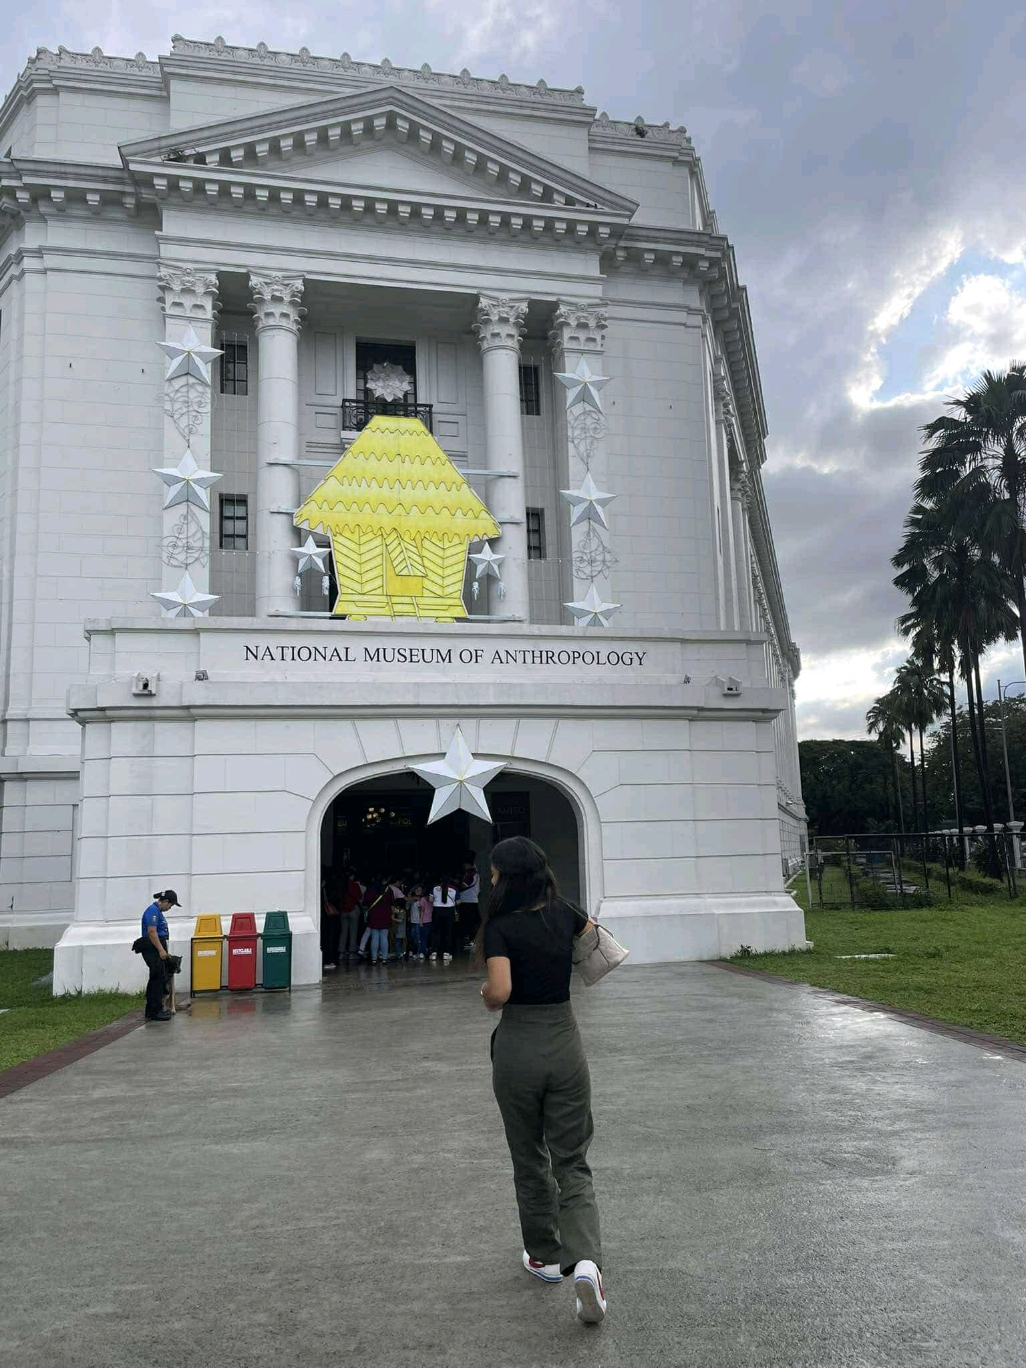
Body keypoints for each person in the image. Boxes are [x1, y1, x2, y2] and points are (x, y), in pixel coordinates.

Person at [477, 837, 606, 1325]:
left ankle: (545, 1256)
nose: (490, 880)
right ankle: (587, 1262)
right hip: (564, 1040)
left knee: (529, 1154)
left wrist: (485, 993)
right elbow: (594, 941)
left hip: (519, 1045)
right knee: (572, 1159)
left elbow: (501, 991)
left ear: (506, 877)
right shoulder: (565, 912)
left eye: (493, 873)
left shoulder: (500, 928)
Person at [140, 890, 180, 1023]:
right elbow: (152, 932)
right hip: (153, 948)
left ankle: (155, 1009)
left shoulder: (157, 912)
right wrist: (161, 950)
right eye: (171, 905)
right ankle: (154, 1011)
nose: (169, 908)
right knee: (157, 979)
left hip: (158, 946)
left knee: (159, 977)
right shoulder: (153, 911)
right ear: (166, 902)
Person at [364, 880, 393, 965]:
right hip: (385, 915)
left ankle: (374, 959)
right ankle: (384, 958)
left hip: (373, 916)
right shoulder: (388, 890)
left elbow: (365, 902)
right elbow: (392, 902)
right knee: (384, 937)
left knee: (374, 937)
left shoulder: (370, 889)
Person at [430, 875, 459, 963]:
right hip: (449, 912)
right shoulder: (454, 888)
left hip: (437, 911)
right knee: (448, 932)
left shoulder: (435, 888)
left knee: (435, 931)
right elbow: (458, 901)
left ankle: (434, 952)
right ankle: (446, 953)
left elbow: (431, 900)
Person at [338, 869, 363, 962]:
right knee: (353, 932)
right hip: (353, 910)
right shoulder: (355, 885)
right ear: (352, 876)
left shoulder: (341, 885)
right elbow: (359, 897)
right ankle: (352, 953)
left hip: (343, 911)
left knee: (343, 932)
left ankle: (341, 952)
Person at [458, 855, 481, 951]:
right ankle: (473, 942)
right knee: (473, 923)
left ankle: (471, 943)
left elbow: (463, 886)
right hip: (473, 901)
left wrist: (455, 885)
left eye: (464, 864)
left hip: (467, 902)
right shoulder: (476, 873)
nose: (463, 866)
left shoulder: (470, 874)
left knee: (467, 924)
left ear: (468, 864)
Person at [321, 873, 341, 971]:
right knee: (331, 937)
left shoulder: (323, 889)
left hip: (326, 916)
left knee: (327, 938)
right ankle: (330, 959)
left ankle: (327, 959)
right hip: (330, 916)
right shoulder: (331, 889)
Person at [408, 884, 431, 959]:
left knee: (418, 938)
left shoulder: (422, 899)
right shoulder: (412, 899)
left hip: (418, 921)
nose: (419, 891)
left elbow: (422, 911)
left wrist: (421, 921)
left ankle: (419, 952)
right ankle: (416, 951)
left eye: (420, 890)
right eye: (417, 890)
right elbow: (407, 907)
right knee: (413, 937)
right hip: (413, 920)